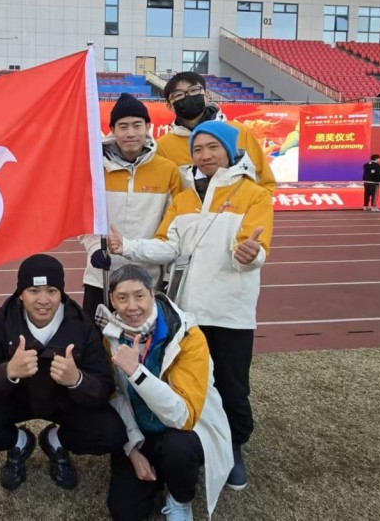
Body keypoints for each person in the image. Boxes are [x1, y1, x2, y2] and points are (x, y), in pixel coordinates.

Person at [108, 120, 272, 491]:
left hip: (230, 312)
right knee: (183, 381)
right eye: (198, 149)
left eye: (213, 147)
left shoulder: (255, 195)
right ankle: (184, 446)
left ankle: (233, 446)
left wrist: (250, 254)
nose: (205, 155)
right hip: (186, 313)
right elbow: (168, 245)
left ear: (230, 150)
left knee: (231, 386)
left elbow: (255, 248)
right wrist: (128, 246)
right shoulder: (184, 198)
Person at [0, 254, 125, 492]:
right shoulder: (0, 322)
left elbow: (104, 386)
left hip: (64, 401)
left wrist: (77, 380)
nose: (43, 300)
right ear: (20, 294)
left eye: (51, 291)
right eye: (33, 291)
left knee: (110, 432)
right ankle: (20, 442)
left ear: (62, 294)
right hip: (17, 398)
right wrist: (8, 371)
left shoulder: (81, 325)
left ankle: (56, 441)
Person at [102, 264, 233, 521]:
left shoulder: (189, 337)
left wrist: (137, 373)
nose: (132, 306)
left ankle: (179, 499)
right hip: (141, 434)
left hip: (182, 432)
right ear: (111, 301)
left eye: (139, 295)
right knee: (125, 513)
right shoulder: (111, 337)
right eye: (122, 298)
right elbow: (116, 396)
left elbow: (182, 417)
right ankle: (154, 470)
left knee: (178, 448)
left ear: (153, 293)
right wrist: (132, 449)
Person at [80, 93, 181, 314]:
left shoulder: (167, 170)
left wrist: (135, 250)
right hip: (101, 277)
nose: (131, 133)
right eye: (123, 126)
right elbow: (85, 219)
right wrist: (95, 247)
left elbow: (172, 230)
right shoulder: (95, 168)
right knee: (95, 346)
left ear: (148, 127)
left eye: (137, 125)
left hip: (145, 281)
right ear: (113, 130)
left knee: (140, 347)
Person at [156, 72, 276, 194]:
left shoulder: (238, 131)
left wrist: (255, 210)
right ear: (169, 105)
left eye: (194, 90)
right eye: (178, 95)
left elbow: (265, 182)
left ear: (206, 95)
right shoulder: (163, 146)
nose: (188, 97)